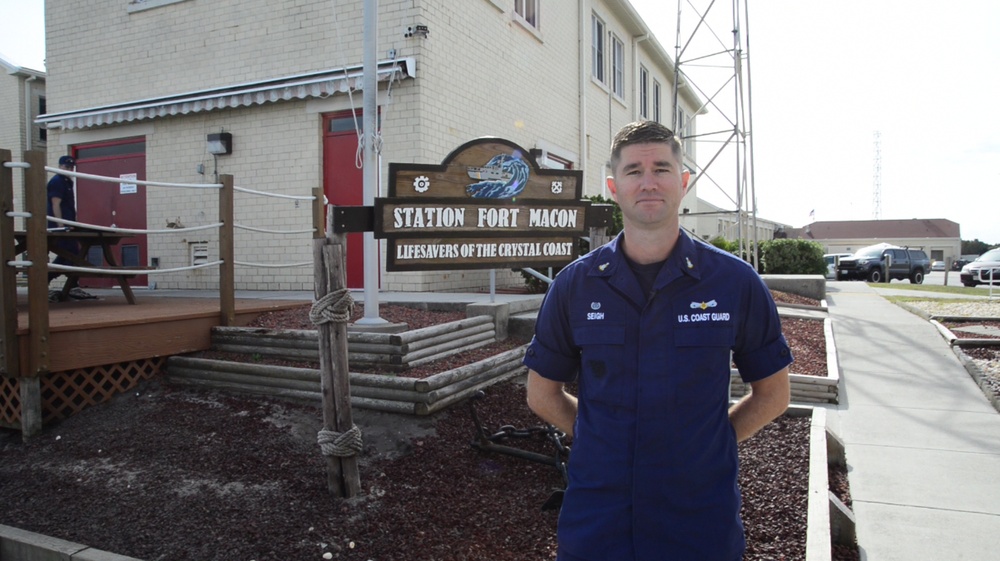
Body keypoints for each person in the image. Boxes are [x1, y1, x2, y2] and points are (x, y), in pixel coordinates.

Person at [523, 120, 792, 560]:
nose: (648, 182)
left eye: (661, 169)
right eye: (633, 171)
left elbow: (773, 394)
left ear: (683, 181)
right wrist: (604, 440)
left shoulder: (734, 282)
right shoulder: (575, 285)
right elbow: (542, 394)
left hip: (699, 521)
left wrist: (707, 445)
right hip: (599, 523)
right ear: (613, 186)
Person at [46, 155, 87, 299]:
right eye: (66, 167)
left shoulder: (68, 182)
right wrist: (60, 225)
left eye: (71, 167)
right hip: (59, 226)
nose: (69, 169)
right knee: (70, 253)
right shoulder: (57, 181)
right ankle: (69, 284)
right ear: (60, 167)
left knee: (71, 253)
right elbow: (55, 203)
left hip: (68, 223)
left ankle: (69, 284)